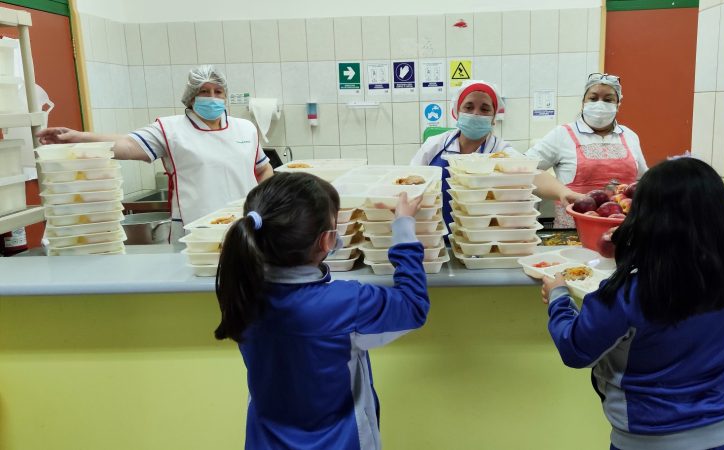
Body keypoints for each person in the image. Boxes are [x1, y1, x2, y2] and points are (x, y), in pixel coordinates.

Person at [541, 158, 724, 450]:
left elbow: (576, 349)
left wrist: (559, 298)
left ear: (646, 220)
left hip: (645, 439)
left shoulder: (628, 294)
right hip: (722, 435)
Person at [214, 172, 430, 450]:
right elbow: (413, 305)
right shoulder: (346, 303)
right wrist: (403, 227)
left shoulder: (239, 288)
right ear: (327, 241)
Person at [36, 65, 273, 241]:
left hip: (244, 230)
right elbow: (127, 145)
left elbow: (264, 170)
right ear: (191, 97)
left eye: (218, 92)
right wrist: (78, 137)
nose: (212, 97)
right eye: (204, 91)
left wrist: (260, 208)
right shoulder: (170, 129)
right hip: (194, 233)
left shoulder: (245, 128)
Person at [410, 79, 581, 227]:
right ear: (457, 112)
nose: (476, 114)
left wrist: (563, 192)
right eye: (468, 107)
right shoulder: (435, 145)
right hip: (434, 232)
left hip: (482, 237)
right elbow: (411, 181)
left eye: (485, 109)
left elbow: (533, 174)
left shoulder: (500, 151)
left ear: (493, 118)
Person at [526, 73, 648, 228]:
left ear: (618, 104)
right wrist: (560, 192)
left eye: (608, 99)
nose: (600, 104)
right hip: (574, 230)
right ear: (583, 102)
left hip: (624, 229)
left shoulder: (629, 135)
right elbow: (526, 169)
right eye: (593, 98)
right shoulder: (562, 134)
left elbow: (642, 180)